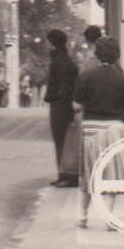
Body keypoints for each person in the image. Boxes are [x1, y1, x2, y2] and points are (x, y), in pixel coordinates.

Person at [45, 29, 78, 186]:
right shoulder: (65, 59)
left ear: (52, 43)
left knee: (61, 140)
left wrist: (55, 96)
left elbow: (61, 84)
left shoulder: (59, 60)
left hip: (60, 104)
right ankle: (64, 173)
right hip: (64, 103)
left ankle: (65, 174)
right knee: (64, 140)